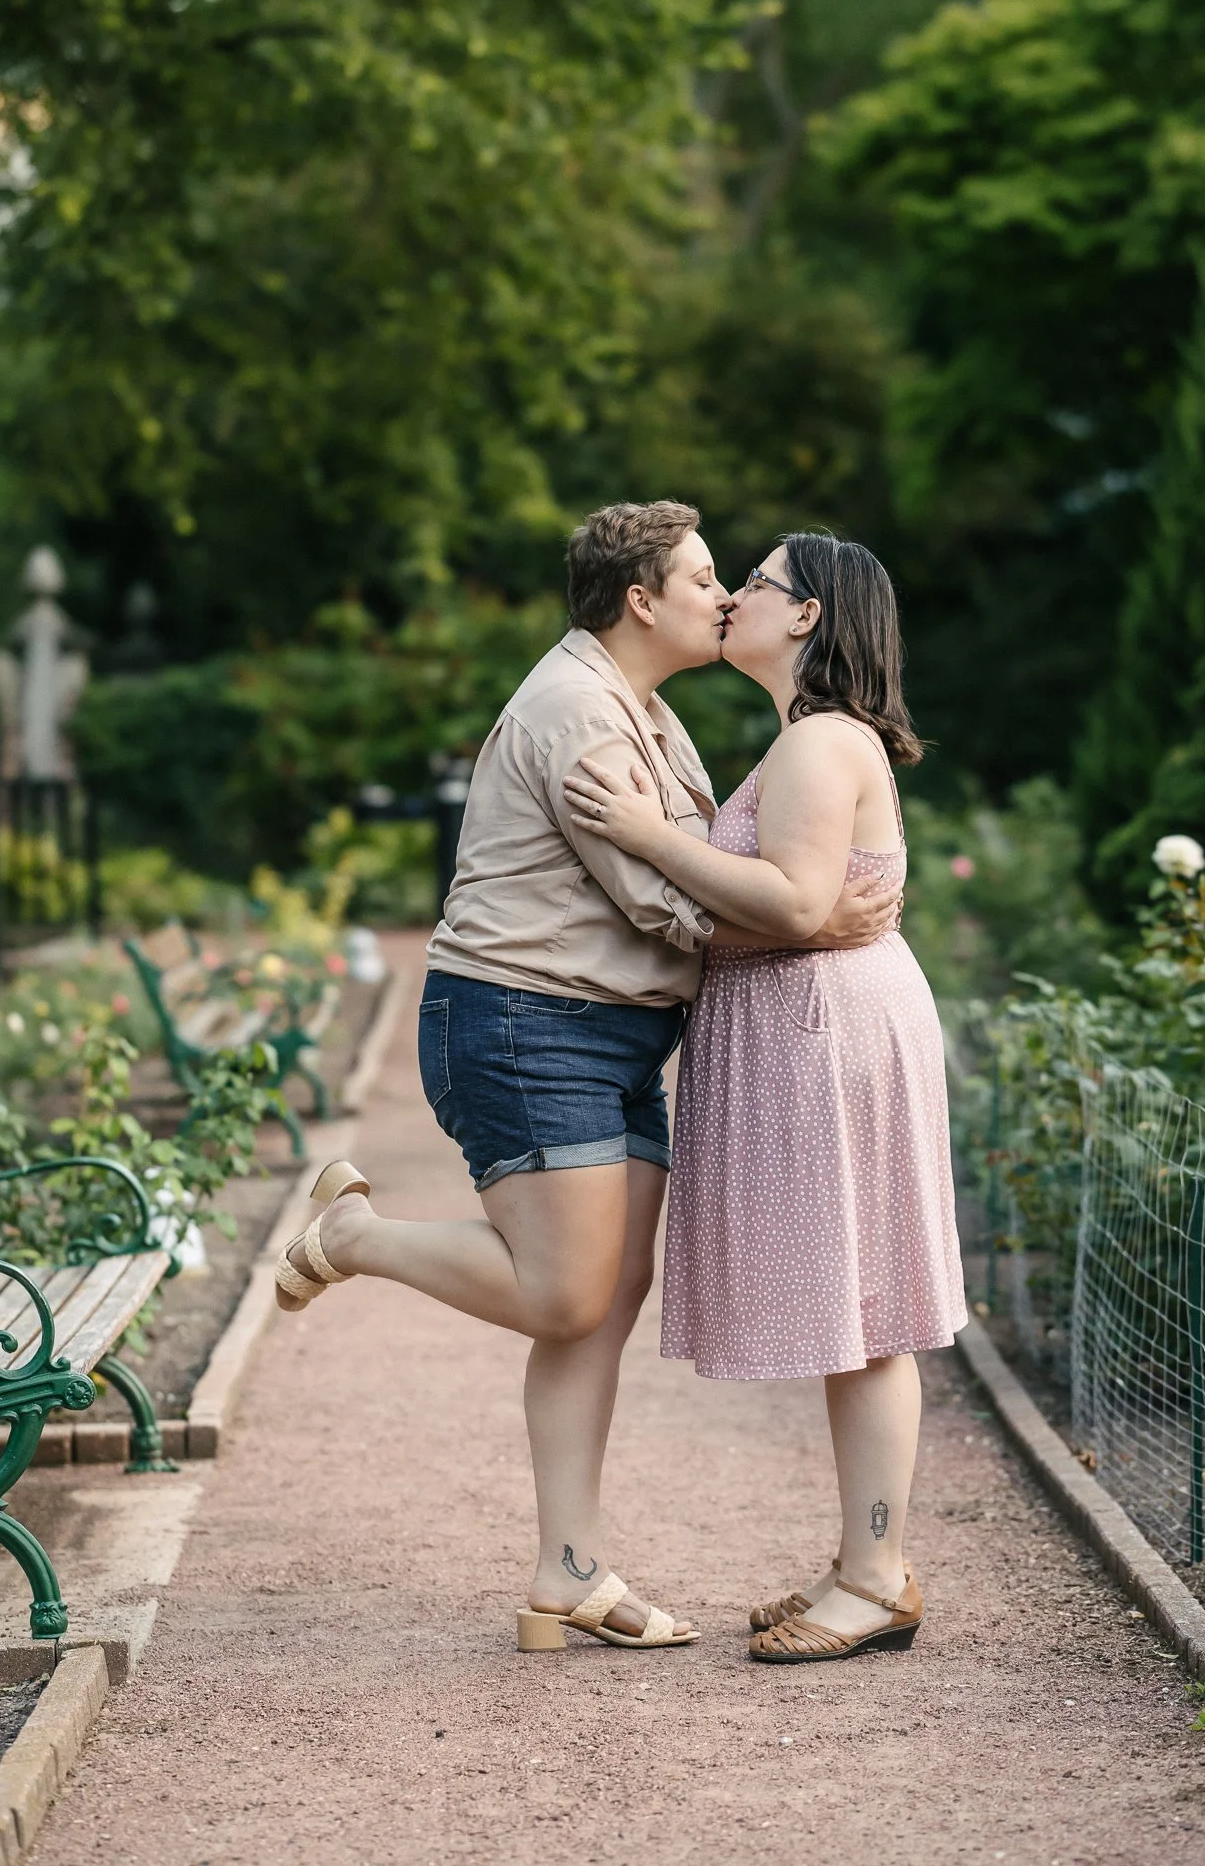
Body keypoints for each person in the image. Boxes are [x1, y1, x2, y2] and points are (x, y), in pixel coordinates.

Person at [274, 502, 898, 1652]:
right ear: (641, 600)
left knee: (598, 1309)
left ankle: (568, 1572)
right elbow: (668, 900)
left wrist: (795, 906)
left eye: (732, 579)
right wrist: (812, 923)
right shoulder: (577, 713)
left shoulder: (650, 714)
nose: (722, 596)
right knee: (564, 1293)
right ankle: (353, 1234)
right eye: (705, 578)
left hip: (614, 1034)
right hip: (526, 1018)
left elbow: (711, 875)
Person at [563, 531, 966, 1663]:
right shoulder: (806, 741)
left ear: (806, 617)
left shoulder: (820, 741)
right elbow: (790, 903)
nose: (732, 596)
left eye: (757, 582)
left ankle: (877, 1577)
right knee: (861, 1306)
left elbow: (793, 905)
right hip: (821, 1022)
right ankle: (862, 1563)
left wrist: (644, 833)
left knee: (870, 1311)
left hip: (826, 1027)